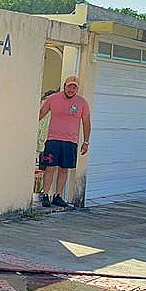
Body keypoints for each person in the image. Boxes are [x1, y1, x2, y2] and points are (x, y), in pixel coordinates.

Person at [38, 75, 91, 208]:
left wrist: (86, 142)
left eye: (74, 87)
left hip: (70, 142)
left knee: (64, 169)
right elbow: (39, 114)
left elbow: (86, 122)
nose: (71, 89)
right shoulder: (53, 98)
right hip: (53, 140)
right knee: (49, 168)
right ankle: (45, 195)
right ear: (64, 86)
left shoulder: (82, 103)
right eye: (69, 86)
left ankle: (58, 196)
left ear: (77, 89)